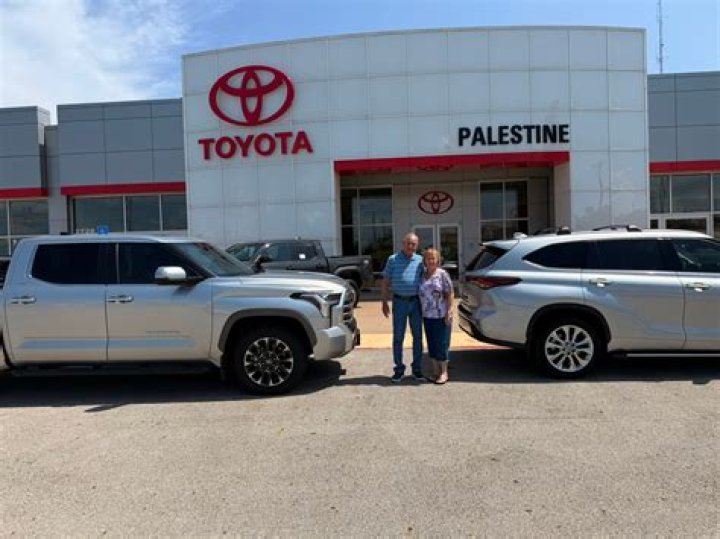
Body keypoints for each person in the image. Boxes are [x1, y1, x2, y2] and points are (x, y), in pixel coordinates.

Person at [381, 232, 424, 383]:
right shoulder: (393, 259)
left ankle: (417, 369)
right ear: (403, 243)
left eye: (414, 244)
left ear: (417, 246)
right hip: (399, 302)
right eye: (408, 243)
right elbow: (386, 281)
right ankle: (399, 370)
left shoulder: (420, 260)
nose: (411, 246)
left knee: (418, 337)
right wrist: (384, 301)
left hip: (416, 303)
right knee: (398, 337)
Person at [419, 248, 454, 384]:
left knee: (442, 343)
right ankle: (435, 371)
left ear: (438, 260)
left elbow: (450, 293)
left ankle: (444, 372)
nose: (431, 261)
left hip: (441, 315)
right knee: (432, 343)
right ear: (425, 261)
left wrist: (449, 311)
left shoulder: (442, 274)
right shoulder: (423, 275)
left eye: (433, 258)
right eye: (428, 258)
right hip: (427, 315)